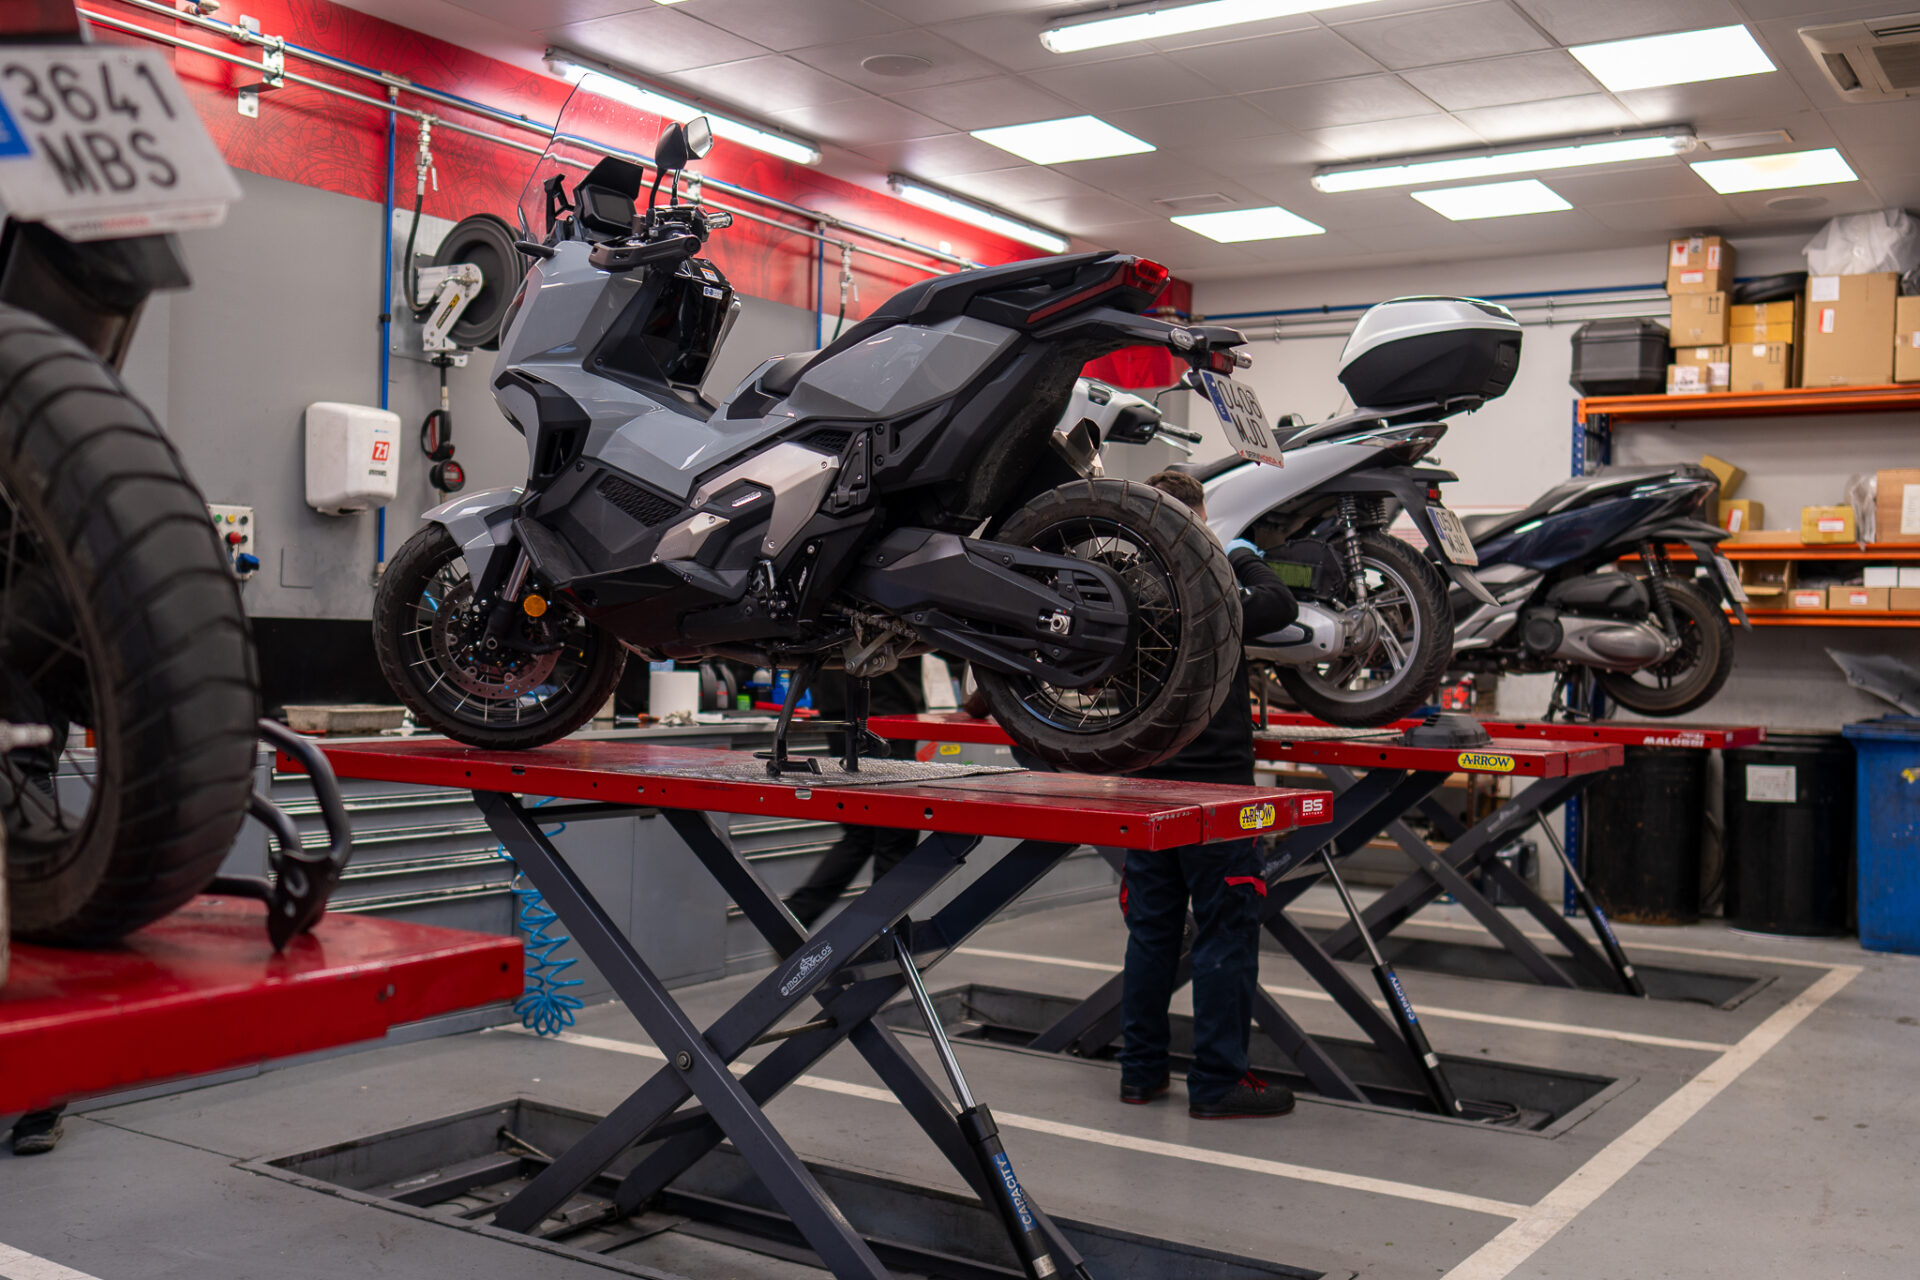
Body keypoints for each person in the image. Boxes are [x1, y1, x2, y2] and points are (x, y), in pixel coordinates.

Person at [1119, 469, 1299, 1120]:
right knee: (1226, 929)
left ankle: (1140, 1074)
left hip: (1146, 785)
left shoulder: (1124, 585)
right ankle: (1217, 1081)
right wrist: (1240, 552)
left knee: (1152, 931)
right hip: (1215, 789)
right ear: (1200, 519)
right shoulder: (1212, 577)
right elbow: (1279, 604)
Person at [783, 664, 928, 929]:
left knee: (861, 833)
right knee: (895, 834)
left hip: (840, 712)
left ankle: (795, 918)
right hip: (885, 710)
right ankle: (880, 939)